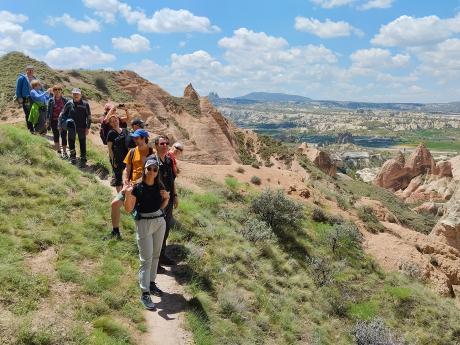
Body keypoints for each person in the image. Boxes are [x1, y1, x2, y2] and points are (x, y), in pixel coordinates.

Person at [123, 156, 169, 310]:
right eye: (149, 168)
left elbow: (161, 206)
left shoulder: (159, 186)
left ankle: (151, 283)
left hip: (159, 222)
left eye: (155, 169)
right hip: (144, 224)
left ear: (157, 172)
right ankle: (145, 293)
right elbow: (129, 209)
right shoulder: (137, 187)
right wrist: (128, 194)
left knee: (156, 256)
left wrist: (167, 199)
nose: (151, 172)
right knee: (146, 259)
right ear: (144, 169)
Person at [106, 129, 154, 240]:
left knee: (140, 215)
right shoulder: (132, 151)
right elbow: (126, 170)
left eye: (137, 138)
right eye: (134, 137)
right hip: (130, 186)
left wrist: (135, 183)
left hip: (144, 187)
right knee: (115, 204)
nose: (134, 140)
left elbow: (151, 174)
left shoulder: (152, 153)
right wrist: (125, 180)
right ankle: (115, 231)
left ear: (144, 138)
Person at [155, 135, 178, 266]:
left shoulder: (169, 160)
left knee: (166, 228)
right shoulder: (153, 162)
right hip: (157, 202)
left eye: (166, 143)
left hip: (168, 201)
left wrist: (175, 195)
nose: (164, 146)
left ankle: (162, 255)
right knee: (157, 230)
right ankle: (155, 262)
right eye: (161, 144)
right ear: (156, 146)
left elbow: (172, 180)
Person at [59, 88, 91, 167]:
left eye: (77, 94)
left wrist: (88, 127)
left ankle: (83, 159)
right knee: (71, 142)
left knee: (82, 143)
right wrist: (61, 124)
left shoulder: (85, 104)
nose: (75, 95)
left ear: (80, 95)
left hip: (82, 127)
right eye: (74, 94)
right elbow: (62, 113)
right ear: (72, 94)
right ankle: (73, 158)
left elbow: (89, 117)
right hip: (71, 127)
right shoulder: (69, 103)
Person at [106, 114, 130, 192]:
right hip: (117, 159)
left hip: (127, 158)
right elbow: (110, 149)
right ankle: (119, 197)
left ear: (118, 120)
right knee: (118, 178)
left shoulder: (125, 131)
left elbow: (130, 145)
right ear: (110, 124)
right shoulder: (111, 133)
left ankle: (126, 196)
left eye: (115, 120)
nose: (115, 122)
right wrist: (113, 161)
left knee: (127, 177)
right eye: (112, 122)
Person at [15, 65, 38, 133]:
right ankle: (30, 129)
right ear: (26, 70)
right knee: (28, 113)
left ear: (33, 71)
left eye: (31, 70)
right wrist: (19, 97)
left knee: (36, 113)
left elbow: (40, 88)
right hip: (26, 98)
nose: (30, 71)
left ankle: (37, 128)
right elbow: (18, 88)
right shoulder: (21, 78)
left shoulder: (35, 78)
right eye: (28, 70)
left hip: (35, 98)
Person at [47, 85, 68, 155]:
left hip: (63, 121)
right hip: (54, 120)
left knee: (64, 136)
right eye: (55, 90)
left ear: (61, 91)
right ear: (53, 91)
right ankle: (58, 150)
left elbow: (68, 110)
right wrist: (47, 121)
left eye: (59, 89)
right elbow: (48, 111)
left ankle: (65, 152)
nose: (57, 91)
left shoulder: (65, 100)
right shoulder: (50, 100)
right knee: (56, 135)